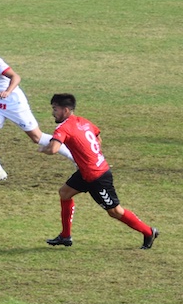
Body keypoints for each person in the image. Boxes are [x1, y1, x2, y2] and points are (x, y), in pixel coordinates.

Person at [40, 94, 159, 249]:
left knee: (115, 211)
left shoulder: (63, 128)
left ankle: (149, 232)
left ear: (66, 110)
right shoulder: (83, 121)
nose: (53, 113)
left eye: (55, 109)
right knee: (65, 193)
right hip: (87, 171)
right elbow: (97, 137)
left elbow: (54, 149)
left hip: (97, 177)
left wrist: (45, 150)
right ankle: (65, 236)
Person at [0, 37, 75, 185]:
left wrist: (7, 91)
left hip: (14, 103)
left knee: (37, 138)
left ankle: (77, 158)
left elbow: (15, 77)